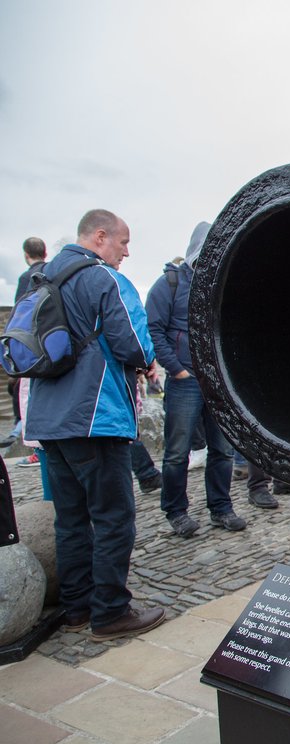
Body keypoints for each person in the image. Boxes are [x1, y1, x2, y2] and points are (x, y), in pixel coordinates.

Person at [25, 209, 164, 640]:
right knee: (113, 518)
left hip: (49, 419)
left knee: (69, 520)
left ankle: (77, 607)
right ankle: (110, 612)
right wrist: (146, 362)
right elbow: (134, 345)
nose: (127, 252)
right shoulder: (104, 279)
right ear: (100, 237)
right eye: (123, 242)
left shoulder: (42, 278)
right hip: (94, 417)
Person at [146, 222, 246, 537]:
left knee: (222, 450)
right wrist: (176, 368)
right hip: (186, 380)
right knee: (177, 452)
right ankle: (176, 511)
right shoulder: (169, 285)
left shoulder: (222, 284)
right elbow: (154, 329)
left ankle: (221, 507)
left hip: (216, 383)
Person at [1, 237, 49, 448]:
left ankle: (25, 438)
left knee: (24, 397)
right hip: (52, 345)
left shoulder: (26, 277)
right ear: (45, 253)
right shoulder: (52, 271)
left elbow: (20, 316)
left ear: (26, 255)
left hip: (33, 349)